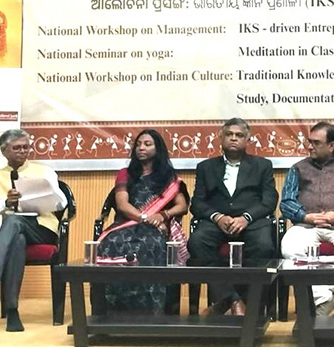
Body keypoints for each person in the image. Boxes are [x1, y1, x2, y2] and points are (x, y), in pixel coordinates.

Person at [0, 129, 67, 332]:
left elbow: (63, 203)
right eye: (16, 148)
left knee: (14, 221)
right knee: (17, 240)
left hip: (43, 228)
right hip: (15, 232)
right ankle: (12, 312)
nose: (22, 151)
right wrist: (5, 203)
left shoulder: (45, 172)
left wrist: (45, 195)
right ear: (4, 151)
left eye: (26, 147)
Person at [188, 118, 278, 317]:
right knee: (197, 242)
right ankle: (232, 299)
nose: (234, 139)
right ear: (221, 138)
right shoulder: (205, 167)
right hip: (217, 223)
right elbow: (197, 203)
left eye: (239, 135)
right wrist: (217, 217)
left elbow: (270, 200)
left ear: (247, 140)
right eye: (229, 135)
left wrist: (246, 217)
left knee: (264, 246)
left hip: (252, 222)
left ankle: (245, 302)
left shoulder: (262, 165)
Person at [97, 129, 189, 313]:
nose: (141, 148)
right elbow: (122, 205)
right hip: (126, 224)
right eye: (138, 144)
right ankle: (114, 308)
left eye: (147, 144)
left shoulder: (169, 176)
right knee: (112, 242)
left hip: (156, 228)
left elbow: (182, 206)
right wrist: (145, 218)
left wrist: (163, 215)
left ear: (158, 148)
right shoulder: (125, 174)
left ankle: (152, 308)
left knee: (151, 244)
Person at [280, 121, 334, 317]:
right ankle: (325, 299)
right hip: (306, 225)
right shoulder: (297, 169)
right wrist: (306, 216)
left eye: (316, 143)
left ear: (332, 145)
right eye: (309, 141)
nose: (310, 146)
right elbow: (286, 202)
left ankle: (321, 296)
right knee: (289, 249)